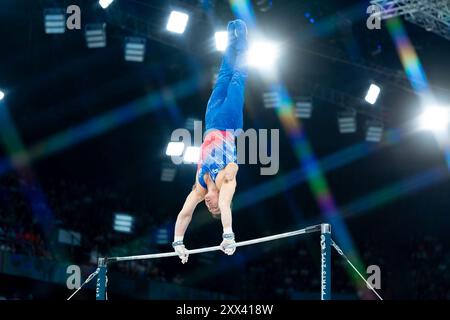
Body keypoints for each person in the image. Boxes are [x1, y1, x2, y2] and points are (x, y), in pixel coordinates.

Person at [172, 19, 249, 264]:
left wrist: (178, 242)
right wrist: (228, 235)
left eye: (209, 208)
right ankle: (244, 40)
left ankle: (230, 40)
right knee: (238, 77)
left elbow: (185, 214)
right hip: (230, 124)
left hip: (212, 120)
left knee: (224, 74)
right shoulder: (227, 181)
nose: (210, 204)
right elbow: (226, 205)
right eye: (213, 206)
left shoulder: (199, 187)